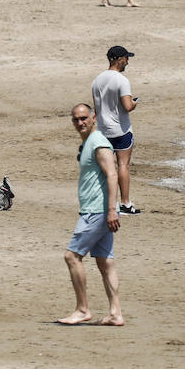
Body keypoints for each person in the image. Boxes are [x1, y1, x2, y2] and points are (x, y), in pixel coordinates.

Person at [58, 103, 123, 326]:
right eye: (76, 119)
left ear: (93, 117)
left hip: (97, 211)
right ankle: (116, 313)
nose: (80, 123)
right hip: (99, 211)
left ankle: (82, 309)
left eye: (84, 118)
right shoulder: (88, 143)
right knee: (106, 263)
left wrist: (113, 210)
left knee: (71, 256)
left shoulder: (98, 143)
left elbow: (112, 175)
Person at [91, 45, 139, 214]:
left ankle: (106, 203)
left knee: (106, 169)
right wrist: (134, 103)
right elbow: (127, 106)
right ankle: (125, 204)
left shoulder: (97, 80)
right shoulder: (122, 80)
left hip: (103, 131)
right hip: (120, 130)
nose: (128, 62)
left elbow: (97, 109)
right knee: (123, 165)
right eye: (127, 58)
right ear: (119, 60)